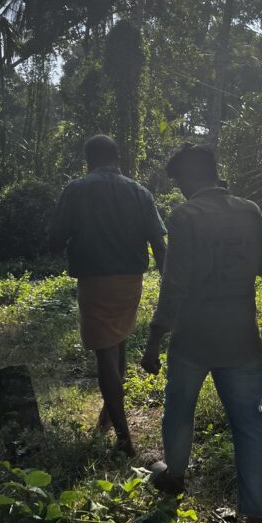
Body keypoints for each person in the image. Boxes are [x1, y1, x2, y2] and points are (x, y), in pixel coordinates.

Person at [140, 144, 262, 523]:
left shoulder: (185, 216)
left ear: (189, 179)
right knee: (250, 427)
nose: (179, 190)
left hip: (193, 339)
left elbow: (174, 284)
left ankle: (174, 477)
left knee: (180, 410)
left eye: (179, 182)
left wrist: (154, 338)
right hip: (241, 338)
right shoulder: (249, 210)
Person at [49, 134, 167, 457]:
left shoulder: (76, 189)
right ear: (117, 158)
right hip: (131, 281)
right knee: (120, 341)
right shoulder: (139, 191)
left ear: (90, 160)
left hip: (95, 281)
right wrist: (171, 284)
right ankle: (107, 417)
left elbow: (54, 238)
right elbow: (159, 244)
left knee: (105, 355)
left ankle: (125, 439)